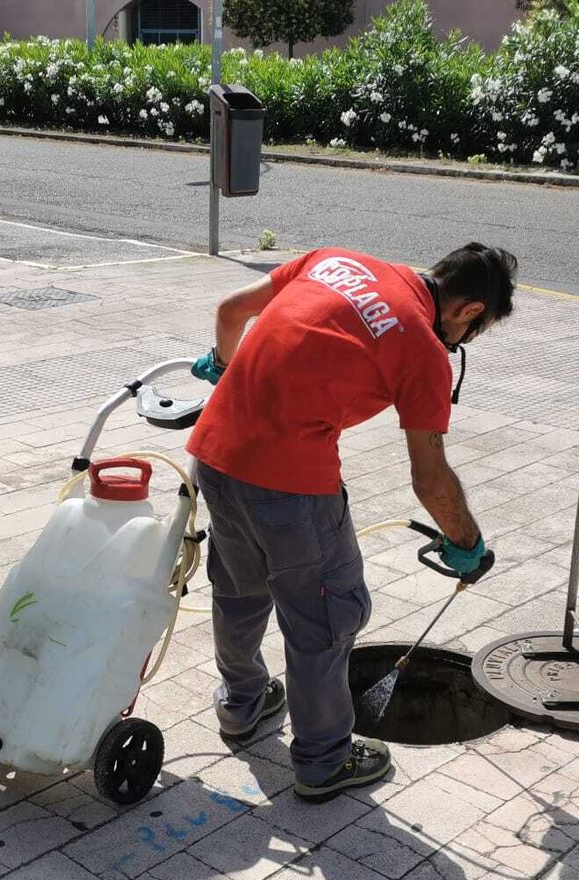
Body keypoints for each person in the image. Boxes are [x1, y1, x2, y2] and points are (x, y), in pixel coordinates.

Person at [185, 242, 518, 803]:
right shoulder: (424, 351)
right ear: (470, 311)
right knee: (324, 619)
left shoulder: (334, 259)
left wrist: (223, 366)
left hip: (215, 458)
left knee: (238, 591)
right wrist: (466, 540)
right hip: (292, 488)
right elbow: (430, 478)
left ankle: (242, 705)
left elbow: (229, 311)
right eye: (472, 333)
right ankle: (323, 761)